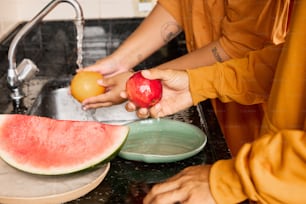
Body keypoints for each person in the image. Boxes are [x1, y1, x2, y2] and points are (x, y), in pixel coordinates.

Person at [121, 1, 306, 203]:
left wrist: (234, 180)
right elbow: (292, 63)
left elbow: (239, 44)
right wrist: (197, 83)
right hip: (275, 177)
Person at [80, 0, 291, 155]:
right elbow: (181, 4)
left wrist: (142, 81)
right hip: (209, 90)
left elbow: (239, 46)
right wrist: (120, 60)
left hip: (251, 104)